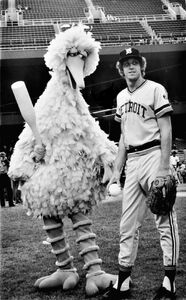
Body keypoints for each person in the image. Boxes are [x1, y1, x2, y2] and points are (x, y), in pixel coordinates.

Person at [102, 48, 179, 300]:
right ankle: (123, 281)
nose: (131, 67)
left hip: (154, 155)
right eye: (127, 64)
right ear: (121, 69)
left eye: (135, 62)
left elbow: (166, 129)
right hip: (133, 161)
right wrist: (117, 169)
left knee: (164, 220)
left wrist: (164, 167)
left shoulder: (155, 89)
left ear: (141, 66)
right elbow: (124, 136)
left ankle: (169, 281)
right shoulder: (121, 96)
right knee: (127, 224)